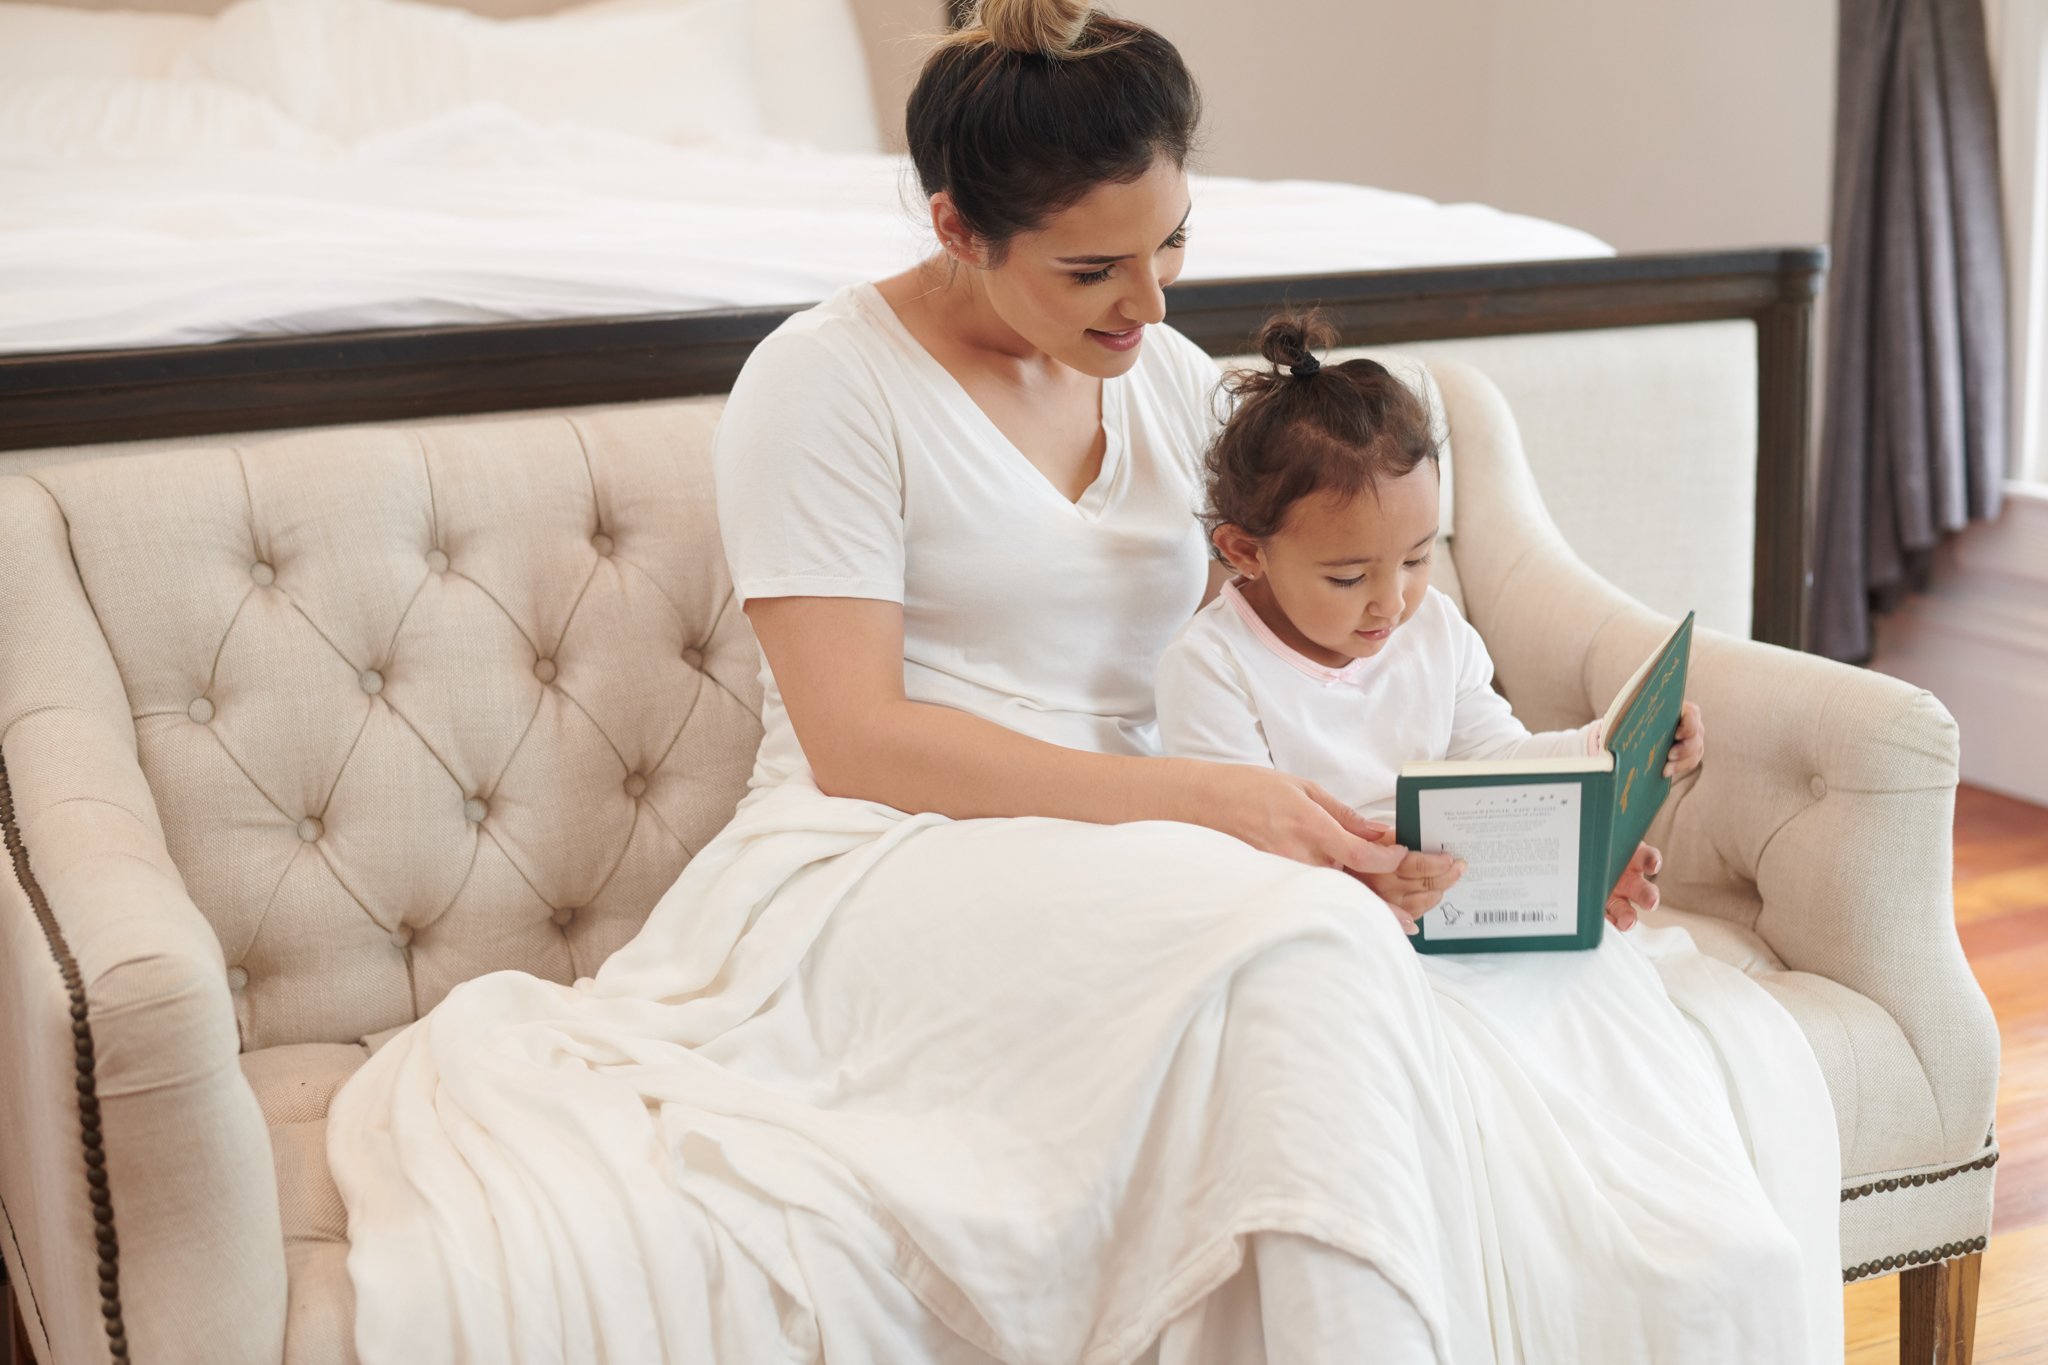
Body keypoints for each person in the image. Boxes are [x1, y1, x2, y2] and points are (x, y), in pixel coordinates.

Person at [328, 2, 1843, 1361]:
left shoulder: (1171, 386)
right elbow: (860, 742)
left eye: (1174, 243)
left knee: (1479, 976)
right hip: (886, 854)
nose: (1153, 301)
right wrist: (1218, 806)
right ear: (955, 225)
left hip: (1159, 842)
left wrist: (1507, 822)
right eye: (1093, 267)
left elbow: (1276, 663)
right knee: (1306, 950)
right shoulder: (823, 384)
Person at [1152, 311, 1706, 935]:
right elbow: (1242, 847)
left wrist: (1613, 746)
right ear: (1246, 552)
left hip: (1452, 906)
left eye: (1418, 558)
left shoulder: (1433, 626)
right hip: (1310, 922)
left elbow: (1495, 758)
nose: (1392, 604)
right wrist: (1361, 880)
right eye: (1348, 577)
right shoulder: (1211, 667)